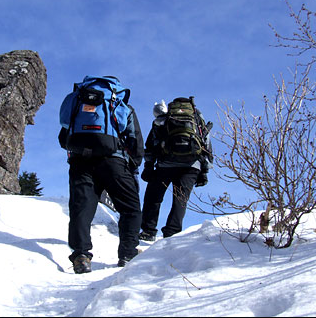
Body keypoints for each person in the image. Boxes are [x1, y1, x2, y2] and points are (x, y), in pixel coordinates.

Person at [59, 76, 144, 274]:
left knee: (81, 208)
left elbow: (64, 134)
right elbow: (135, 139)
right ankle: (127, 253)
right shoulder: (120, 104)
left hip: (80, 161)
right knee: (131, 208)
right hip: (114, 161)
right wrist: (134, 165)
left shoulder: (76, 100)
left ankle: (81, 254)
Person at [139, 97, 213, 241]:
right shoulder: (197, 118)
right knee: (180, 200)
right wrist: (204, 171)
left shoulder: (164, 119)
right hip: (191, 166)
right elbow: (207, 145)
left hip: (165, 164)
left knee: (153, 197)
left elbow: (151, 144)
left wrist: (148, 166)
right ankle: (172, 233)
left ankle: (148, 231)